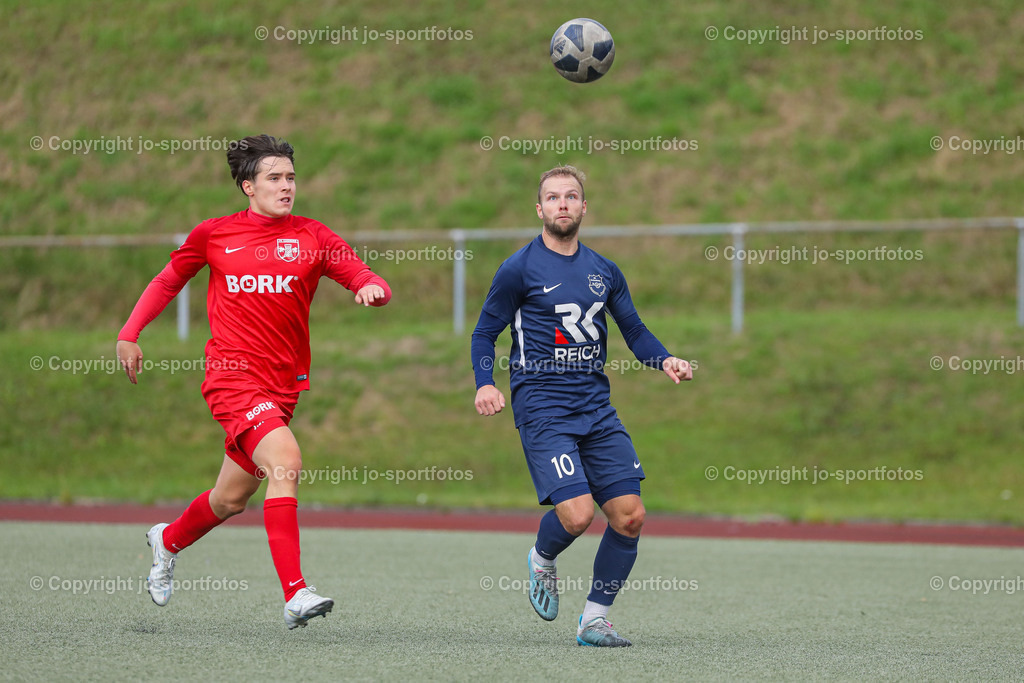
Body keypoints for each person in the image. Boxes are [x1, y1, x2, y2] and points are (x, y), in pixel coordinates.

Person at [116, 134, 391, 629]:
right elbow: (168, 280)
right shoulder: (214, 235)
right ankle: (295, 594)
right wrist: (130, 333)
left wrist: (372, 288)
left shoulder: (313, 236)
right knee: (286, 460)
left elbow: (361, 274)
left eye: (290, 177)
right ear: (248, 186)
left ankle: (168, 539)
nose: (286, 187)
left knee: (230, 499)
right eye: (274, 178)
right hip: (231, 378)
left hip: (283, 386)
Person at [471, 165, 692, 647]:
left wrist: (665, 358)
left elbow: (633, 330)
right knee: (576, 516)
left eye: (571, 196)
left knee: (630, 515)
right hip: (543, 407)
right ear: (540, 209)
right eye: (553, 197)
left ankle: (594, 619)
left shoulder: (603, 270)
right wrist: (485, 383)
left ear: (584, 207)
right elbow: (485, 332)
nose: (563, 204)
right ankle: (542, 557)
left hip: (596, 407)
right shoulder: (518, 268)